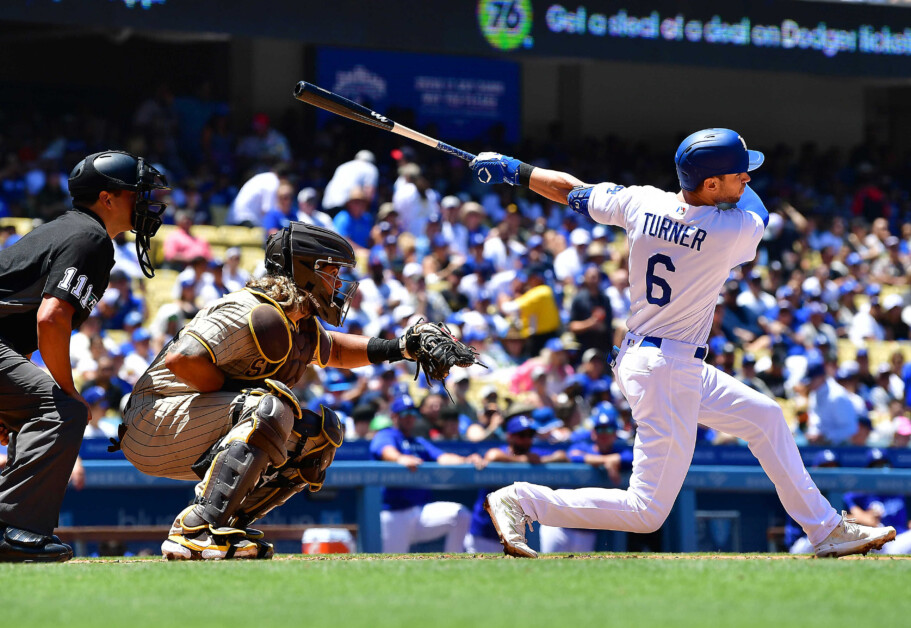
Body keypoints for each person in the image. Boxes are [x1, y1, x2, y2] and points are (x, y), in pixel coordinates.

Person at [471, 128, 896, 559]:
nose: (747, 179)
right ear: (710, 184)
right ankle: (520, 500)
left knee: (765, 417)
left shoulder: (643, 201)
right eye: (739, 173)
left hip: (657, 357)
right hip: (666, 367)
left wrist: (515, 170)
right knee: (646, 512)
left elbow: (571, 191)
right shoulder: (728, 229)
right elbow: (760, 213)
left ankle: (826, 529)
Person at [117, 221, 448, 560]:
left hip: (187, 425)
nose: (338, 284)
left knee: (318, 434)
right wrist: (235, 396)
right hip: (152, 420)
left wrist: (400, 348)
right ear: (305, 271)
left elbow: (333, 350)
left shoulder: (298, 321)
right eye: (331, 273)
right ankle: (195, 529)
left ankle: (224, 525)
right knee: (270, 408)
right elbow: (182, 359)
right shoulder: (248, 307)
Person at [0, 150, 169, 562]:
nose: (146, 202)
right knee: (63, 411)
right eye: (136, 193)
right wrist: (67, 390)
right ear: (107, 199)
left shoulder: (67, 229)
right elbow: (52, 317)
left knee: (36, 412)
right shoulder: (90, 238)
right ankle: (11, 528)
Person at [369, 394, 482, 553]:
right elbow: (384, 450)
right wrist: (400, 458)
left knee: (461, 516)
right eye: (404, 414)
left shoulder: (419, 442)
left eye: (412, 414)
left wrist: (466, 460)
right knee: (391, 565)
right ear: (394, 416)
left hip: (420, 512)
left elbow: (443, 458)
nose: (409, 418)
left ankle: (455, 563)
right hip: (394, 513)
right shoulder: (387, 435)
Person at [465, 415, 567, 553]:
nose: (526, 440)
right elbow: (492, 456)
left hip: (516, 536)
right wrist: (524, 460)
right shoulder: (504, 452)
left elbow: (562, 456)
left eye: (530, 435)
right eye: (521, 435)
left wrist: (542, 460)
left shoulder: (534, 454)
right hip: (486, 533)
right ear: (510, 436)